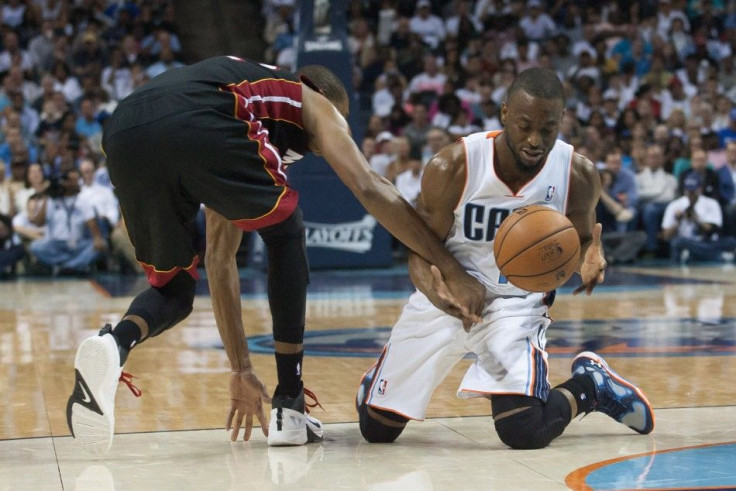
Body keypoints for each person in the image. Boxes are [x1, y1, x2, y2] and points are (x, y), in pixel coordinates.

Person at [66, 56, 485, 453]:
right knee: (286, 231)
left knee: (174, 290)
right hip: (198, 114)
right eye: (331, 134)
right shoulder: (309, 101)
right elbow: (370, 186)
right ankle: (289, 402)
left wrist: (242, 370)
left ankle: (113, 344)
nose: (322, 149)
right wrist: (449, 266)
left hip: (124, 130)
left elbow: (220, 260)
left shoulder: (246, 121)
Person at [356, 68, 654, 450]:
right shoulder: (454, 167)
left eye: (547, 128)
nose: (535, 139)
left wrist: (591, 254)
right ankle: (381, 381)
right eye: (525, 125)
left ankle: (590, 386)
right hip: (447, 295)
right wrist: (442, 293)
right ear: (504, 113)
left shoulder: (577, 174)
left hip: (518, 302)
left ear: (562, 121)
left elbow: (581, 239)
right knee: (377, 431)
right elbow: (418, 250)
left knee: (523, 431)